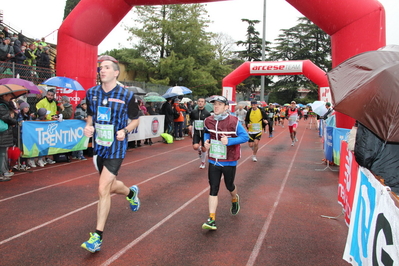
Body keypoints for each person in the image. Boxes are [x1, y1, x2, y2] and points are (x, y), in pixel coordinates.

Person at [81, 60, 141, 253]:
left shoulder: (126, 95)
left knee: (102, 188)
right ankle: (131, 193)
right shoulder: (91, 93)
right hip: (99, 146)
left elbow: (136, 120)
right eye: (100, 68)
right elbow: (90, 115)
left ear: (116, 73)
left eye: (106, 67)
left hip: (117, 145)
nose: (102, 70)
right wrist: (88, 127)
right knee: (110, 185)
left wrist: (125, 130)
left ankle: (97, 236)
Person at [201, 95, 249, 230]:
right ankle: (211, 219)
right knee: (213, 188)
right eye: (214, 104)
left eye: (219, 104)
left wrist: (230, 141)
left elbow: (245, 137)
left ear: (226, 107)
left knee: (229, 186)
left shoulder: (234, 121)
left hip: (229, 160)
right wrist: (206, 141)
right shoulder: (208, 120)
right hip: (214, 159)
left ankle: (234, 199)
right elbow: (206, 132)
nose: (216, 106)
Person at [188, 97, 211, 169]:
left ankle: (203, 162)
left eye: (202, 101)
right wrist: (190, 125)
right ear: (197, 103)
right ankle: (200, 150)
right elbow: (191, 119)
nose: (200, 103)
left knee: (205, 149)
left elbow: (209, 123)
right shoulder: (193, 112)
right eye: (199, 101)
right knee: (195, 147)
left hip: (204, 133)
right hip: (196, 132)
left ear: (204, 103)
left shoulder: (207, 113)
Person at [0, 92, 18, 181]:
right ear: (4, 96)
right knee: (2, 154)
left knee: (3, 153)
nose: (10, 97)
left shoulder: (5, 105)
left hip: (4, 133)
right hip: (2, 133)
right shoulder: (2, 106)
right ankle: (1, 173)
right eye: (9, 95)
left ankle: (3, 172)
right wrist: (14, 121)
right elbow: (6, 117)